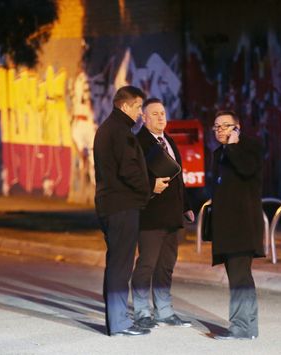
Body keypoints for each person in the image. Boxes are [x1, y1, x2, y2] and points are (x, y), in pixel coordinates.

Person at [131, 98, 194, 329]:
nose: (160, 117)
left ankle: (164, 311)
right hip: (149, 215)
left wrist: (186, 206)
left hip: (172, 214)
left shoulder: (169, 141)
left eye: (163, 113)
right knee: (147, 263)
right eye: (155, 114)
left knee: (166, 264)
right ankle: (141, 311)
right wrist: (150, 185)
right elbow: (129, 177)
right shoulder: (136, 143)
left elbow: (179, 180)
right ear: (144, 118)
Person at [93, 86, 151, 336]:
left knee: (115, 262)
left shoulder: (107, 128)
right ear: (125, 106)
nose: (140, 113)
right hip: (122, 205)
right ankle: (119, 322)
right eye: (138, 107)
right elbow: (129, 170)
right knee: (121, 264)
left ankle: (116, 319)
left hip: (109, 204)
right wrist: (147, 189)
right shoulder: (121, 132)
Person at [209, 110, 264, 340]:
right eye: (216, 127)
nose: (220, 130)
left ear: (237, 127)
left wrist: (233, 146)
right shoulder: (218, 153)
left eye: (225, 125)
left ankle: (240, 326)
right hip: (226, 227)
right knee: (240, 276)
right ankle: (249, 327)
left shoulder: (250, 147)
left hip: (243, 225)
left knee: (240, 276)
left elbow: (246, 169)